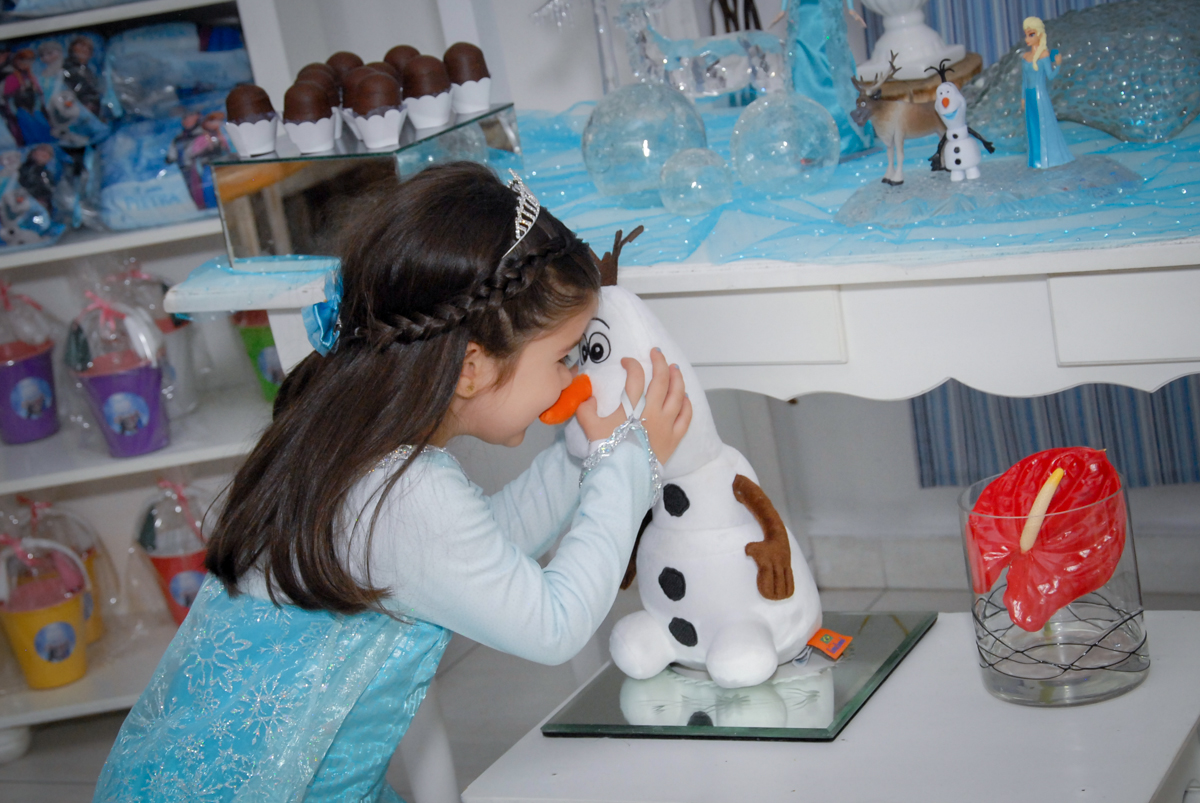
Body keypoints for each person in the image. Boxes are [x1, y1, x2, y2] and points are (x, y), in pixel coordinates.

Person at [93, 162, 692, 802]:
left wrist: (581, 454)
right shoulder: (405, 494)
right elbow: (553, 625)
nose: (571, 380)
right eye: (563, 358)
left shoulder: (363, 453)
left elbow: (482, 552)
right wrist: (622, 459)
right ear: (470, 367)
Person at [1020, 16, 1074, 170]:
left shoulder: (1043, 56)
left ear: (1039, 35)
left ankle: (1048, 159)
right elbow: (1024, 80)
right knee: (1031, 127)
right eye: (1026, 34)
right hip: (1029, 96)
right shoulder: (1025, 57)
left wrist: (1057, 65)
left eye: (1031, 34)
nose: (1027, 39)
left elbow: (1050, 76)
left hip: (1039, 96)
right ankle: (1035, 159)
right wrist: (1023, 98)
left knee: (1044, 126)